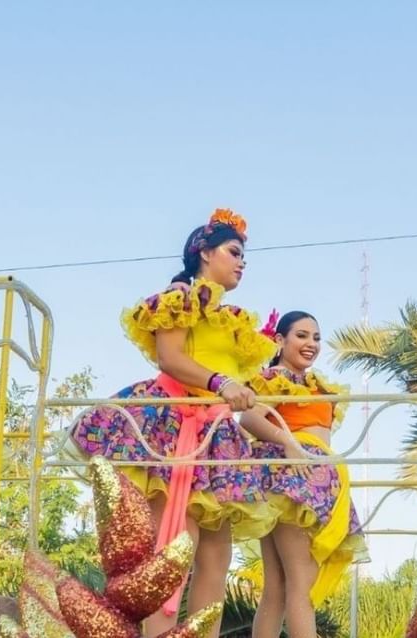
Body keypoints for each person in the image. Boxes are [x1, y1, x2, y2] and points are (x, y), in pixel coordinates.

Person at [71, 209, 276, 636]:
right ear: (204, 252)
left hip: (218, 435)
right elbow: (172, 358)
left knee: (218, 558)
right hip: (173, 426)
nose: (241, 263)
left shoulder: (235, 319)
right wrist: (220, 382)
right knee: (172, 547)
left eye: (244, 257)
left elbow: (245, 390)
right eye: (233, 252)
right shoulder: (180, 297)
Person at [242, 311, 367, 638]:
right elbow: (250, 420)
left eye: (316, 337)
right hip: (296, 481)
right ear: (280, 341)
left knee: (278, 587)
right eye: (301, 335)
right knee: (301, 584)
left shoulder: (316, 385)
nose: (311, 343)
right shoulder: (275, 378)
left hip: (307, 479)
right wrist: (288, 442)